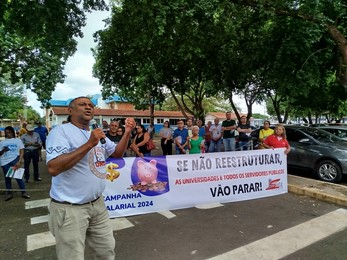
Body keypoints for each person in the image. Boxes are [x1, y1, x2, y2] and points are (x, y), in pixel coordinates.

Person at [45, 96, 135, 259]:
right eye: (82, 104)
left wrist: (127, 133)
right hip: (70, 208)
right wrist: (89, 144)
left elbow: (117, 153)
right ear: (70, 111)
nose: (88, 107)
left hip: (97, 205)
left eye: (91, 105)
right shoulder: (60, 132)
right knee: (72, 256)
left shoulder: (96, 134)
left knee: (106, 251)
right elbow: (54, 167)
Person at [0, 126, 30, 201]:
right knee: (8, 178)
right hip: (5, 162)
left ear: (12, 132)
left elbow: (22, 151)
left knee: (18, 177)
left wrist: (19, 161)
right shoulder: (2, 142)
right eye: (6, 133)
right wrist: (3, 150)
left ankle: (23, 192)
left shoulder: (18, 140)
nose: (8, 134)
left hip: (15, 160)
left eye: (9, 132)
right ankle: (9, 193)